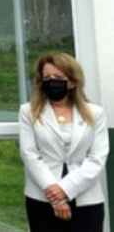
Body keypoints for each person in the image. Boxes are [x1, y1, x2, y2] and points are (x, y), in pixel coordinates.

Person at [18, 52, 108, 232]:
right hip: (42, 198)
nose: (52, 81)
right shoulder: (28, 111)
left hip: (86, 199)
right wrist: (55, 196)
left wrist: (66, 189)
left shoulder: (95, 113)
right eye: (47, 77)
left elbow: (97, 157)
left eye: (58, 77)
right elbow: (30, 154)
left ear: (73, 81)